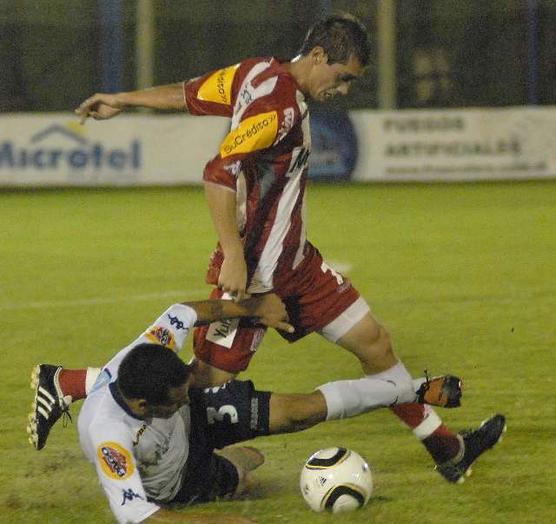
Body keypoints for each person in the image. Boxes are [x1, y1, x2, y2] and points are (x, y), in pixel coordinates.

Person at [50, 13, 503, 484]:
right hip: (258, 277)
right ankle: (76, 384)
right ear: (319, 56)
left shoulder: (254, 72)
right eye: (342, 77)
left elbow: (189, 93)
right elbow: (218, 172)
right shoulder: (279, 109)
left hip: (300, 265)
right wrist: (233, 253)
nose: (343, 90)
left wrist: (122, 98)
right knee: (201, 385)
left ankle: (448, 450)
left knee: (376, 345)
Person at [29, 296, 505, 523]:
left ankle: (411, 390)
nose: (184, 391)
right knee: (246, 473)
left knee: (300, 411)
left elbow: (186, 312)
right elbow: (140, 517)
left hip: (200, 419)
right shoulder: (109, 437)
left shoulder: (151, 360)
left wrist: (255, 309)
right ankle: (232, 466)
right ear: (142, 406)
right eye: (172, 398)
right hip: (180, 483)